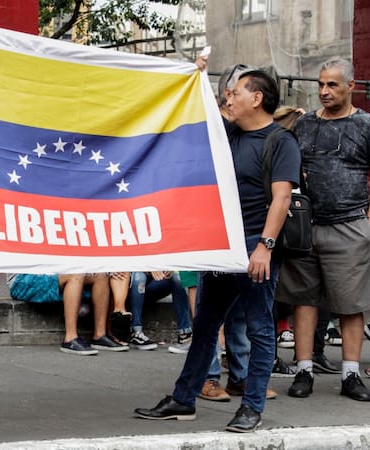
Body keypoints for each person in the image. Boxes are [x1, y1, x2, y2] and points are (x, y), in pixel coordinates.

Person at [134, 68, 300, 433]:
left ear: (256, 98)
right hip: (223, 247)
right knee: (206, 324)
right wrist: (195, 75)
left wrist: (264, 247)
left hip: (255, 246)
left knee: (259, 328)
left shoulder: (280, 141)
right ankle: (184, 398)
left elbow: (282, 197)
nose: (229, 97)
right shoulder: (231, 134)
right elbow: (198, 119)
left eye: (236, 92)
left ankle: (252, 406)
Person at [276, 58, 370, 402]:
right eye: (320, 84)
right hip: (304, 228)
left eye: (332, 84)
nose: (324, 91)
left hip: (350, 227)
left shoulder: (365, 125)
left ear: (351, 85)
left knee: (350, 305)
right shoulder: (304, 125)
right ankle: (304, 370)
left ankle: (350, 375)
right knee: (304, 301)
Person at [8, 272, 130, 354]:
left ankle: (100, 335)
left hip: (55, 272)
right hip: (24, 279)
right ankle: (70, 338)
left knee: (102, 275)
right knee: (75, 275)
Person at [127, 271, 191, 351]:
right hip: (132, 286)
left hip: (153, 285)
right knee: (139, 276)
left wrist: (169, 270)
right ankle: (135, 332)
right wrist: (150, 269)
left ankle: (185, 334)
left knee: (177, 277)